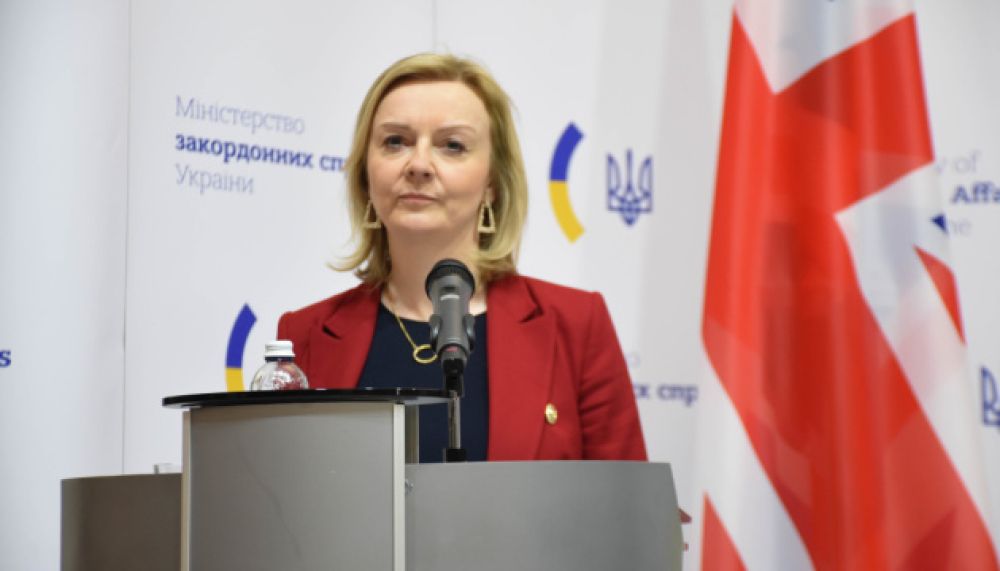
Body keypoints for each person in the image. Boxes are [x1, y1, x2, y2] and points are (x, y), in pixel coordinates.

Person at [277, 53, 646, 462]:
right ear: (366, 173)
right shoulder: (304, 335)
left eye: (452, 145)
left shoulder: (577, 325)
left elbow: (626, 499)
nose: (418, 164)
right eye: (395, 141)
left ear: (492, 183)